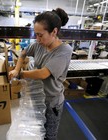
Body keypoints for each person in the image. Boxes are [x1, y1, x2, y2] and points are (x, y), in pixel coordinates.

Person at [9, 8, 73, 140]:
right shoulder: (39, 44)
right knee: (38, 130)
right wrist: (16, 69)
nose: (37, 39)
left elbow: (43, 73)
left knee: (49, 134)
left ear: (54, 31)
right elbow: (23, 53)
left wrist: (20, 74)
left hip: (51, 102)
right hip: (37, 98)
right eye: (35, 34)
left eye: (40, 35)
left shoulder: (64, 51)